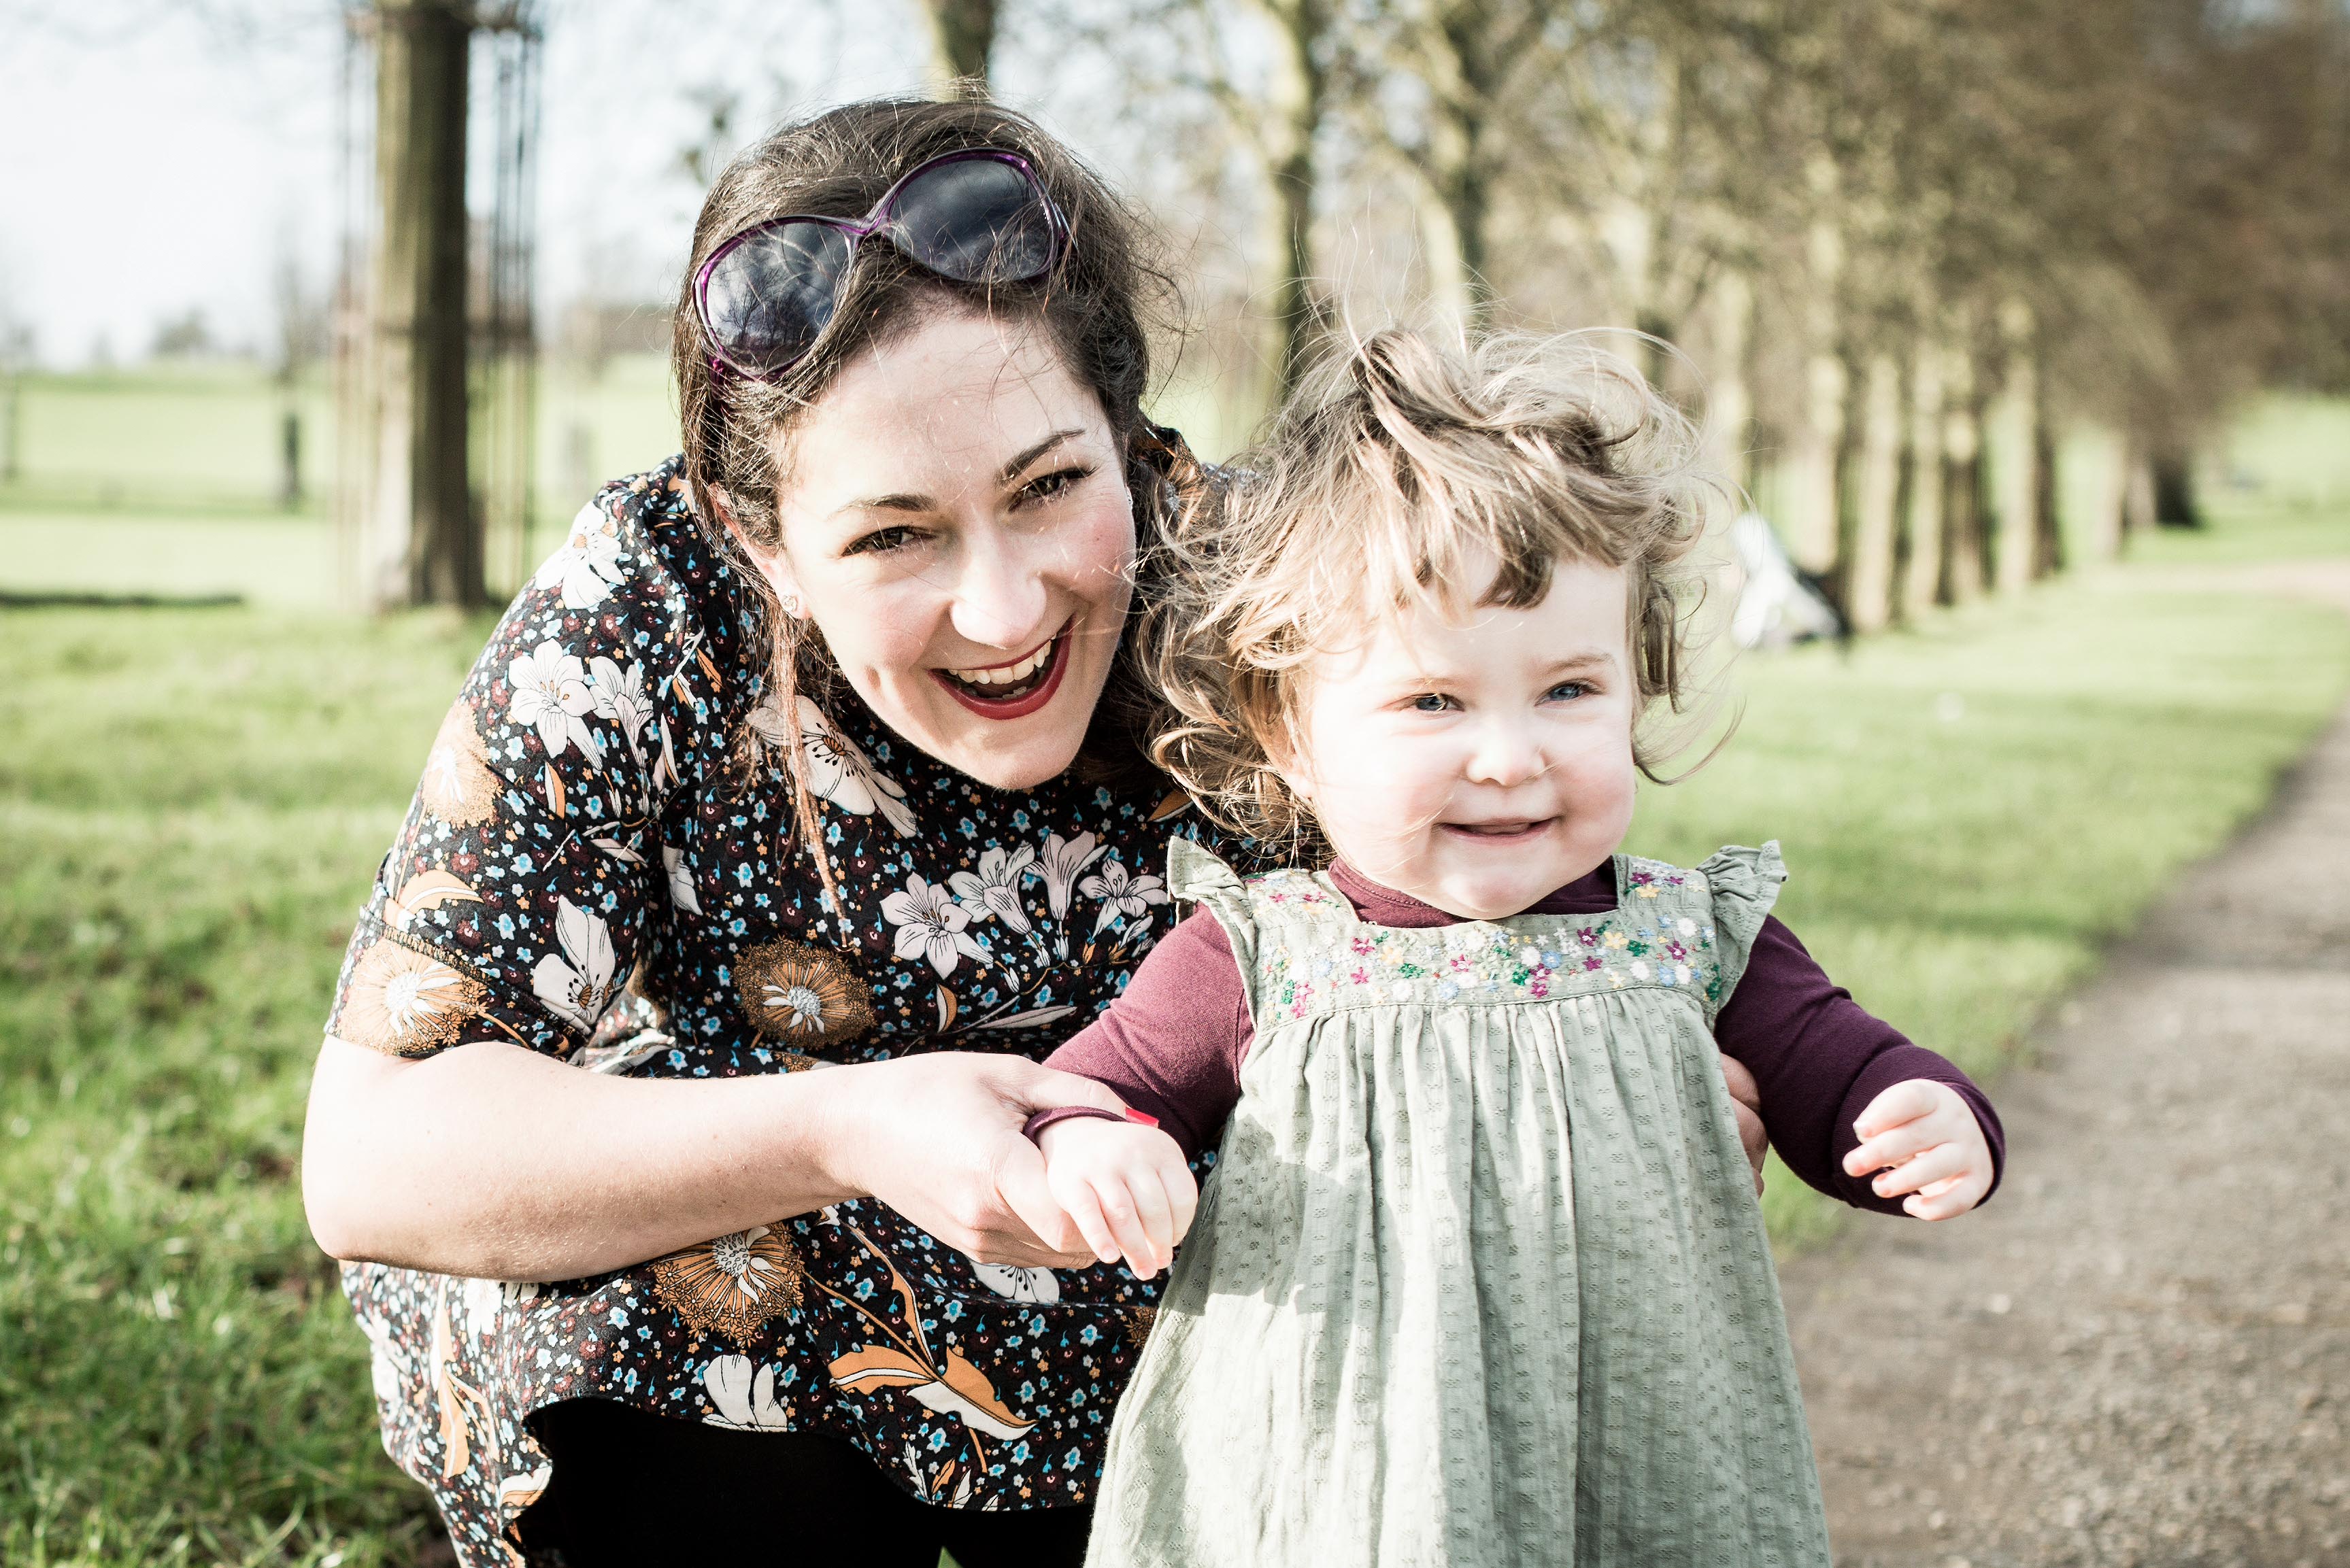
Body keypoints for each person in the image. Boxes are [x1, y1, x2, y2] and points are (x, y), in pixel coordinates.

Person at [299, 99, 1769, 1568]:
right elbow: (374, 1158)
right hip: (730, 1353)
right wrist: (847, 1127)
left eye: (1052, 486)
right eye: (892, 536)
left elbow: (1507, 870)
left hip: (1154, 1330)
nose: (1004, 613)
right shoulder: (646, 610)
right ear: (765, 543)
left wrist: (1614, 1059)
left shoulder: (1286, 593)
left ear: (1127, 436)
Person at [1024, 329, 2006, 1567]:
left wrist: (1918, 1107)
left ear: (1634, 688)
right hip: (1346, 1468)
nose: (1510, 754)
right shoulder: (1266, 955)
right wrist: (1099, 1144)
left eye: (1569, 691)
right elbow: (1093, 1089)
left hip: (1644, 1453)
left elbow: (1835, 1068)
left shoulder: (1689, 938)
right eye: (1434, 701)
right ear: (1289, 730)